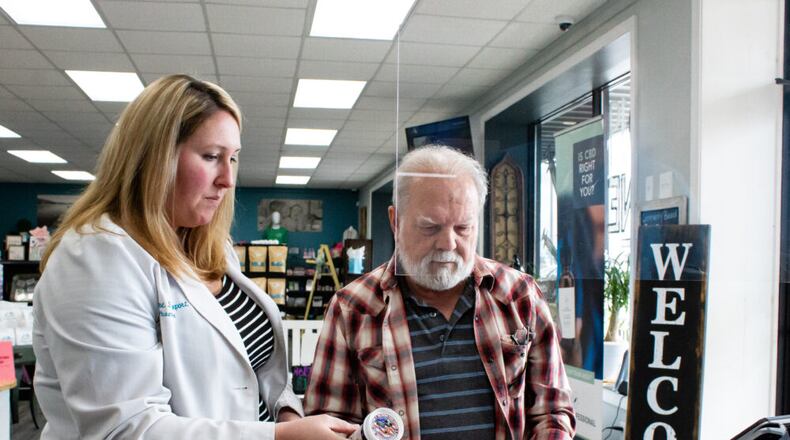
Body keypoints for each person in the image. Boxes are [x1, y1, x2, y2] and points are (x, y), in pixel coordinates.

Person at [32, 74, 357, 439]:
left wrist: (284, 414)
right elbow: (124, 429)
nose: (228, 179)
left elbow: (252, 370)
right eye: (211, 157)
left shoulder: (206, 249)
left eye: (232, 159)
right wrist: (280, 438)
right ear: (153, 158)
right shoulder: (94, 258)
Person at [304, 145, 575, 439]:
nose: (448, 243)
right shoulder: (352, 309)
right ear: (396, 221)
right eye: (430, 228)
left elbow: (553, 411)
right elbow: (328, 426)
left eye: (463, 228)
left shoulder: (520, 296)